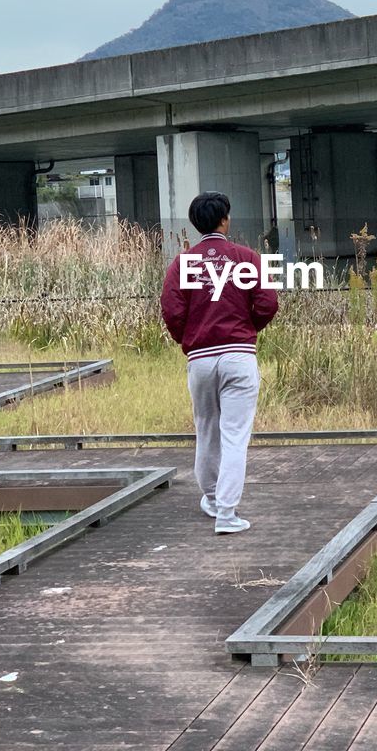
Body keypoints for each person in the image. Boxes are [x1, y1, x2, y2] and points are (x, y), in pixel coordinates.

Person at [160, 192, 278, 534]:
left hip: (200, 358)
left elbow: (172, 310)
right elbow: (268, 303)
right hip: (238, 356)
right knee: (235, 436)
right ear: (224, 220)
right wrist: (247, 329)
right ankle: (227, 513)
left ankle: (211, 500)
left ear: (196, 223)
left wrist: (189, 338)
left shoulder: (183, 264)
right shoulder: (246, 258)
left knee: (206, 430)